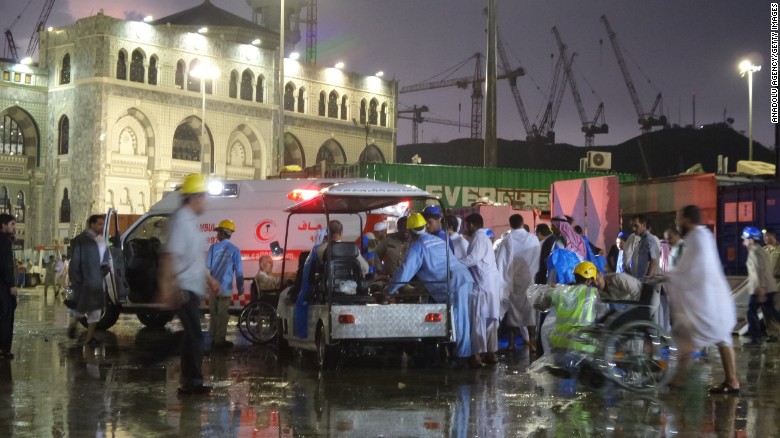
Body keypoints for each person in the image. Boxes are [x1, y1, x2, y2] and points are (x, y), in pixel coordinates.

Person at [663, 205, 739, 394]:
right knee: (722, 339)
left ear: (687, 219)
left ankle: (678, 381)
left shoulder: (697, 238)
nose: (677, 223)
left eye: (679, 218)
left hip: (709, 301)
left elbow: (695, 268)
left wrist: (672, 276)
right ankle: (732, 381)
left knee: (686, 337)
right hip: (713, 299)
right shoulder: (700, 236)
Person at [387, 213, 473, 361]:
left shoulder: (418, 246)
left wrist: (389, 290)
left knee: (457, 320)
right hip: (464, 278)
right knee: (463, 320)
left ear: (410, 232)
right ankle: (463, 355)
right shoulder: (436, 240)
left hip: (452, 282)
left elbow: (404, 273)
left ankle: (462, 359)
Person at [165, 173, 218, 396]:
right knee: (195, 336)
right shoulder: (181, 221)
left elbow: (195, 258)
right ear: (195, 197)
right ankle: (193, 382)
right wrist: (168, 287)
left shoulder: (192, 222)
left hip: (192, 287)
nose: (205, 200)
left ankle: (188, 381)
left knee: (191, 336)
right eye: (204, 196)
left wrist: (209, 279)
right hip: (183, 287)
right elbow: (170, 256)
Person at [295, 220, 368, 338]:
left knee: (301, 300)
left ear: (328, 233)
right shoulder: (352, 249)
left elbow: (308, 275)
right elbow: (365, 269)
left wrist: (305, 294)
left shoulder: (318, 250)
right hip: (351, 291)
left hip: (328, 290)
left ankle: (302, 336)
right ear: (342, 232)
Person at [459, 213, 501, 367]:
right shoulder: (483, 237)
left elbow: (473, 258)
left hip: (481, 284)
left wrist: (454, 264)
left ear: (471, 224)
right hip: (490, 283)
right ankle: (491, 352)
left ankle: (477, 355)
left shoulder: (478, 237)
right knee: (491, 318)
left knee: (479, 318)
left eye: (466, 225)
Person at [495, 214, 541, 352]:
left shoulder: (507, 240)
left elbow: (500, 263)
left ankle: (511, 343)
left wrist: (502, 283)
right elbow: (537, 258)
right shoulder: (533, 238)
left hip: (513, 282)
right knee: (530, 313)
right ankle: (532, 343)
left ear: (510, 224)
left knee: (513, 314)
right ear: (522, 223)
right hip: (530, 281)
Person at [66, 214, 110, 346]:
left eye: (103, 224)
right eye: (99, 224)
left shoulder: (102, 240)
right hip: (85, 281)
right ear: (92, 225)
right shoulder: (81, 240)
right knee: (83, 308)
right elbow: (75, 262)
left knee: (96, 311)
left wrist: (105, 267)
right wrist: (77, 280)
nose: (102, 227)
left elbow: (105, 257)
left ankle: (89, 339)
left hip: (97, 281)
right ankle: (73, 325)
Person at [206, 219, 244, 350]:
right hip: (226, 288)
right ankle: (220, 340)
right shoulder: (235, 250)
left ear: (223, 233)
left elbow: (208, 268)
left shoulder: (213, 248)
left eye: (218, 232)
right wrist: (240, 287)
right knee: (223, 314)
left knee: (213, 313)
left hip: (213, 288)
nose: (216, 234)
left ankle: (213, 338)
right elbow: (238, 271)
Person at [742, 226, 780, 347]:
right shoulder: (762, 249)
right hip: (767, 285)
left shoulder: (757, 251)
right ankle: (769, 334)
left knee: (753, 311)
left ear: (773, 236)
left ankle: (756, 338)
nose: (765, 238)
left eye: (767, 235)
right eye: (764, 236)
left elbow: (760, 270)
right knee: (770, 312)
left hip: (768, 286)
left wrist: (761, 288)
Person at [0, 214, 18, 360]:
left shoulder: (6, 240)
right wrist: (12, 285)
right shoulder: (5, 242)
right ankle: (4, 349)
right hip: (3, 286)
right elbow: (7, 265)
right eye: (12, 224)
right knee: (6, 316)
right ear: (4, 226)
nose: (14, 227)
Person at [627, 215, 659, 279]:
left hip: (649, 283)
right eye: (632, 226)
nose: (633, 229)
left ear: (643, 225)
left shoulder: (649, 239)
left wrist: (646, 281)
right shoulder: (642, 239)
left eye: (636, 226)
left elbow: (654, 261)